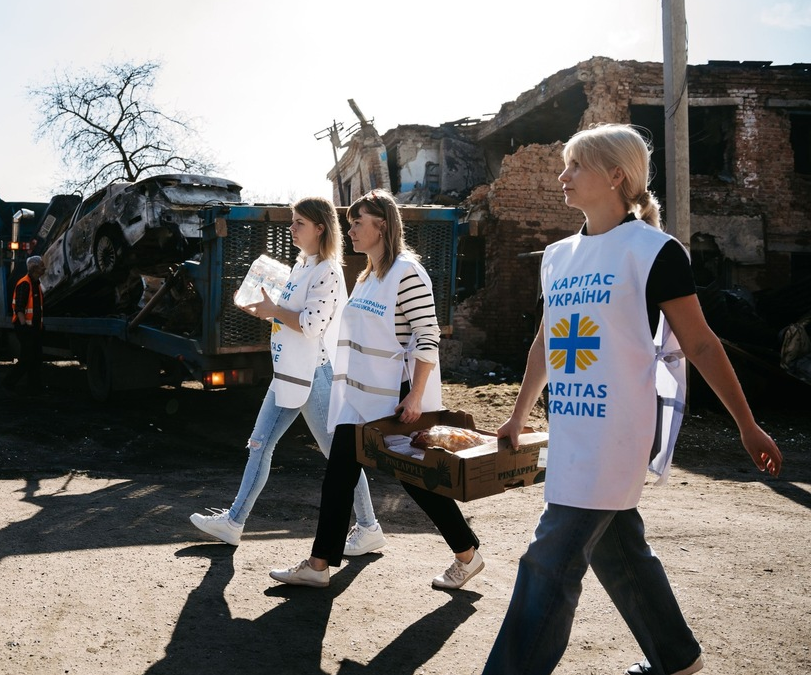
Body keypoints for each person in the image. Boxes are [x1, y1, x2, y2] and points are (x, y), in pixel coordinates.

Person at [481, 124, 783, 675]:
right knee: (621, 552)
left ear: (616, 175)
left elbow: (699, 343)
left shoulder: (653, 252)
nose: (562, 175)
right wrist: (517, 416)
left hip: (616, 435)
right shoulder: (556, 256)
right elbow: (547, 343)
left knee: (548, 562)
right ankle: (678, 658)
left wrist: (747, 424)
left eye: (576, 165)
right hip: (572, 431)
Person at [269, 189, 483, 589]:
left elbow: (427, 336)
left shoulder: (408, 272)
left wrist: (416, 396)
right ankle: (318, 565)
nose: (348, 229)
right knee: (338, 476)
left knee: (415, 479)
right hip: (360, 398)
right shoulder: (368, 274)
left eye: (357, 222)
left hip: (394, 398)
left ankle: (467, 554)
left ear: (381, 225)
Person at [190, 197, 384, 551]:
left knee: (339, 456)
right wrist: (266, 308)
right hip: (289, 371)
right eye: (292, 221)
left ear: (320, 227)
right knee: (259, 444)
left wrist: (274, 311)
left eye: (299, 223)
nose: (291, 228)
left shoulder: (327, 270)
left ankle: (369, 527)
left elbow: (311, 325)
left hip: (313, 375)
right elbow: (284, 310)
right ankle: (234, 522)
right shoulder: (302, 265)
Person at [3, 255, 45, 393]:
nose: (44, 268)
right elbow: (19, 307)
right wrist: (24, 326)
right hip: (25, 328)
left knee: (36, 357)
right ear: (34, 268)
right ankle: (8, 383)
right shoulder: (24, 283)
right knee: (27, 358)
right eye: (41, 265)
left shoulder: (36, 284)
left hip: (34, 328)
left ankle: (34, 386)